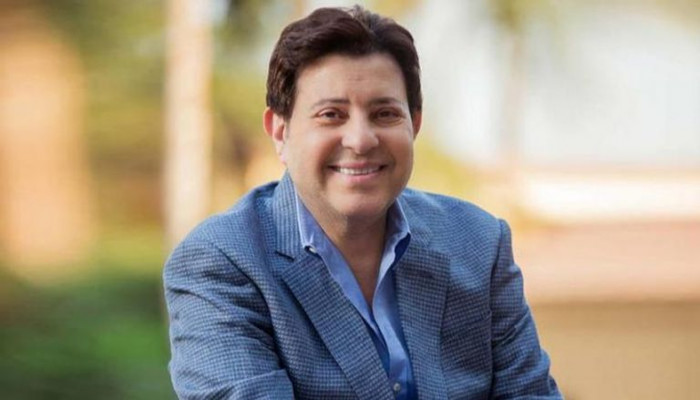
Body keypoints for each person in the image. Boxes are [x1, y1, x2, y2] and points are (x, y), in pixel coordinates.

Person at [163, 5, 561, 400]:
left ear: (414, 124)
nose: (360, 140)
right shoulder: (221, 263)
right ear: (280, 132)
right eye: (331, 115)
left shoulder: (478, 242)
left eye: (384, 114)